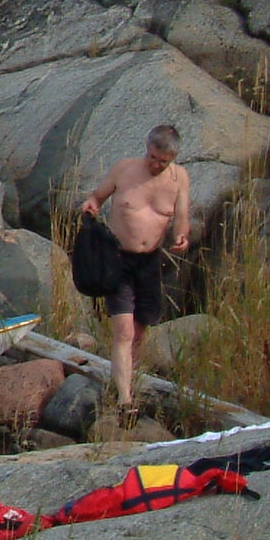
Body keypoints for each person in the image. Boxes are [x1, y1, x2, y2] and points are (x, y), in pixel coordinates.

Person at [78, 124, 191, 417]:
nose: (156, 164)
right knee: (124, 330)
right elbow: (97, 197)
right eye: (153, 157)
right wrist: (91, 205)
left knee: (140, 331)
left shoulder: (179, 178)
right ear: (147, 149)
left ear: (172, 158)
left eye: (163, 161)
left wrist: (181, 235)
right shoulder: (124, 169)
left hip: (149, 262)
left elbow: (181, 216)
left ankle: (128, 378)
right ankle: (125, 400)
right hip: (117, 259)